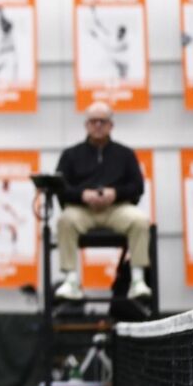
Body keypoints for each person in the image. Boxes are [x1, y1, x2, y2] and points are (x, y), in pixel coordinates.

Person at [51, 101, 151, 301]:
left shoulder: (125, 154)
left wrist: (115, 193)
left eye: (102, 121)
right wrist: (82, 195)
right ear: (86, 125)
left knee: (140, 220)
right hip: (82, 211)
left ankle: (137, 280)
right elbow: (60, 188)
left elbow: (137, 187)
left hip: (116, 209)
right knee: (65, 221)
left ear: (110, 125)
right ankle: (71, 281)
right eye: (93, 121)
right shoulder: (70, 155)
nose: (98, 125)